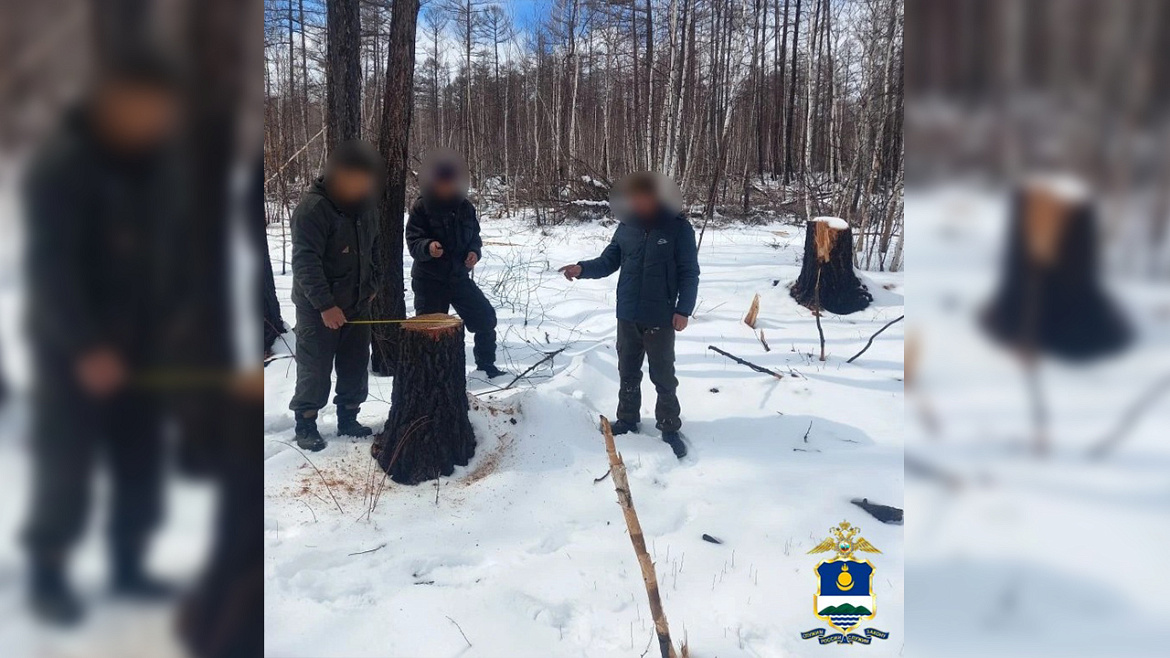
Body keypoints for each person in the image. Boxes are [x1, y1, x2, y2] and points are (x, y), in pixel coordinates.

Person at [22, 49, 183, 625]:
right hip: (74, 350)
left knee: (141, 460)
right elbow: (51, 269)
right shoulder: (65, 164)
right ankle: (47, 574)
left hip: (140, 346)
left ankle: (128, 566)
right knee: (67, 465)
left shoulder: (150, 167)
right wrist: (86, 347)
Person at [559, 173, 700, 458]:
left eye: (643, 197)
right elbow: (608, 261)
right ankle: (627, 419)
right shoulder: (626, 226)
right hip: (627, 313)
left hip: (660, 315)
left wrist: (683, 310)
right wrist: (582, 269)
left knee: (663, 374)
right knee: (628, 370)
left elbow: (689, 273)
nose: (637, 202)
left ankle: (669, 427)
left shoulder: (678, 228)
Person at [289, 141, 383, 451]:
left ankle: (349, 418)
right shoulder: (313, 209)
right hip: (318, 308)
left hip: (358, 302)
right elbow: (305, 262)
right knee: (315, 368)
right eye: (359, 180)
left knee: (355, 364)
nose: (365, 186)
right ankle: (306, 422)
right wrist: (325, 305)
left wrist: (373, 285)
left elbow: (376, 249)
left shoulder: (367, 207)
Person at [405, 157, 505, 378]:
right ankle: (429, 377)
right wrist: (428, 247)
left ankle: (486, 367)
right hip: (429, 280)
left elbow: (474, 238)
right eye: (443, 183)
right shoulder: (422, 207)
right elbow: (413, 241)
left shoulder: (465, 207)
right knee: (431, 332)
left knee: (486, 318)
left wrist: (474, 253)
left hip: (458, 278)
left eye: (451, 182)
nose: (447, 187)